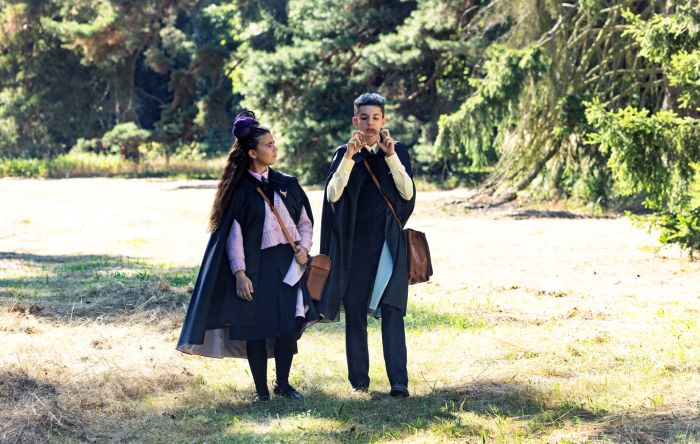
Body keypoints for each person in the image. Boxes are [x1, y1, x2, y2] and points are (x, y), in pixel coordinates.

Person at [177, 111, 317, 401]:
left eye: (274, 143)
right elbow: (234, 236)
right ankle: (261, 391)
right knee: (257, 329)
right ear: (253, 153)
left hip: (288, 265)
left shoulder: (287, 183)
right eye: (269, 145)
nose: (275, 149)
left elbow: (305, 221)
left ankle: (283, 384)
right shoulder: (239, 192)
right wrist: (240, 273)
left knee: (287, 327)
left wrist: (304, 248)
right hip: (257, 267)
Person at [318, 92, 416, 397]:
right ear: (355, 121)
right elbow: (332, 196)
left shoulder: (397, 151)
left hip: (389, 245)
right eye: (364, 118)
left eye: (375, 117)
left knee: (392, 311)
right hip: (355, 247)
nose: (370, 123)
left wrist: (391, 156)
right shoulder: (344, 154)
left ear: (383, 120)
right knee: (356, 313)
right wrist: (349, 158)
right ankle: (359, 382)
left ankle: (399, 383)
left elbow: (408, 194)